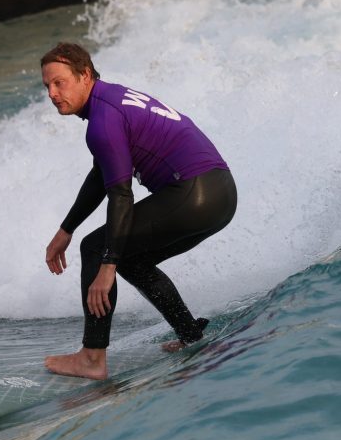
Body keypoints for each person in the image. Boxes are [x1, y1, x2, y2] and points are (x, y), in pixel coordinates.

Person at [41, 42, 237, 380]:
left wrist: (107, 265)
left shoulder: (103, 120)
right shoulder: (112, 99)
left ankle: (92, 358)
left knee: (96, 247)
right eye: (47, 86)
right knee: (133, 259)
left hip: (192, 192)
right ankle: (189, 333)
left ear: (85, 75)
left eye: (60, 83)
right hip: (220, 195)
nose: (53, 93)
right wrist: (65, 229)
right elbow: (103, 174)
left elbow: (121, 194)